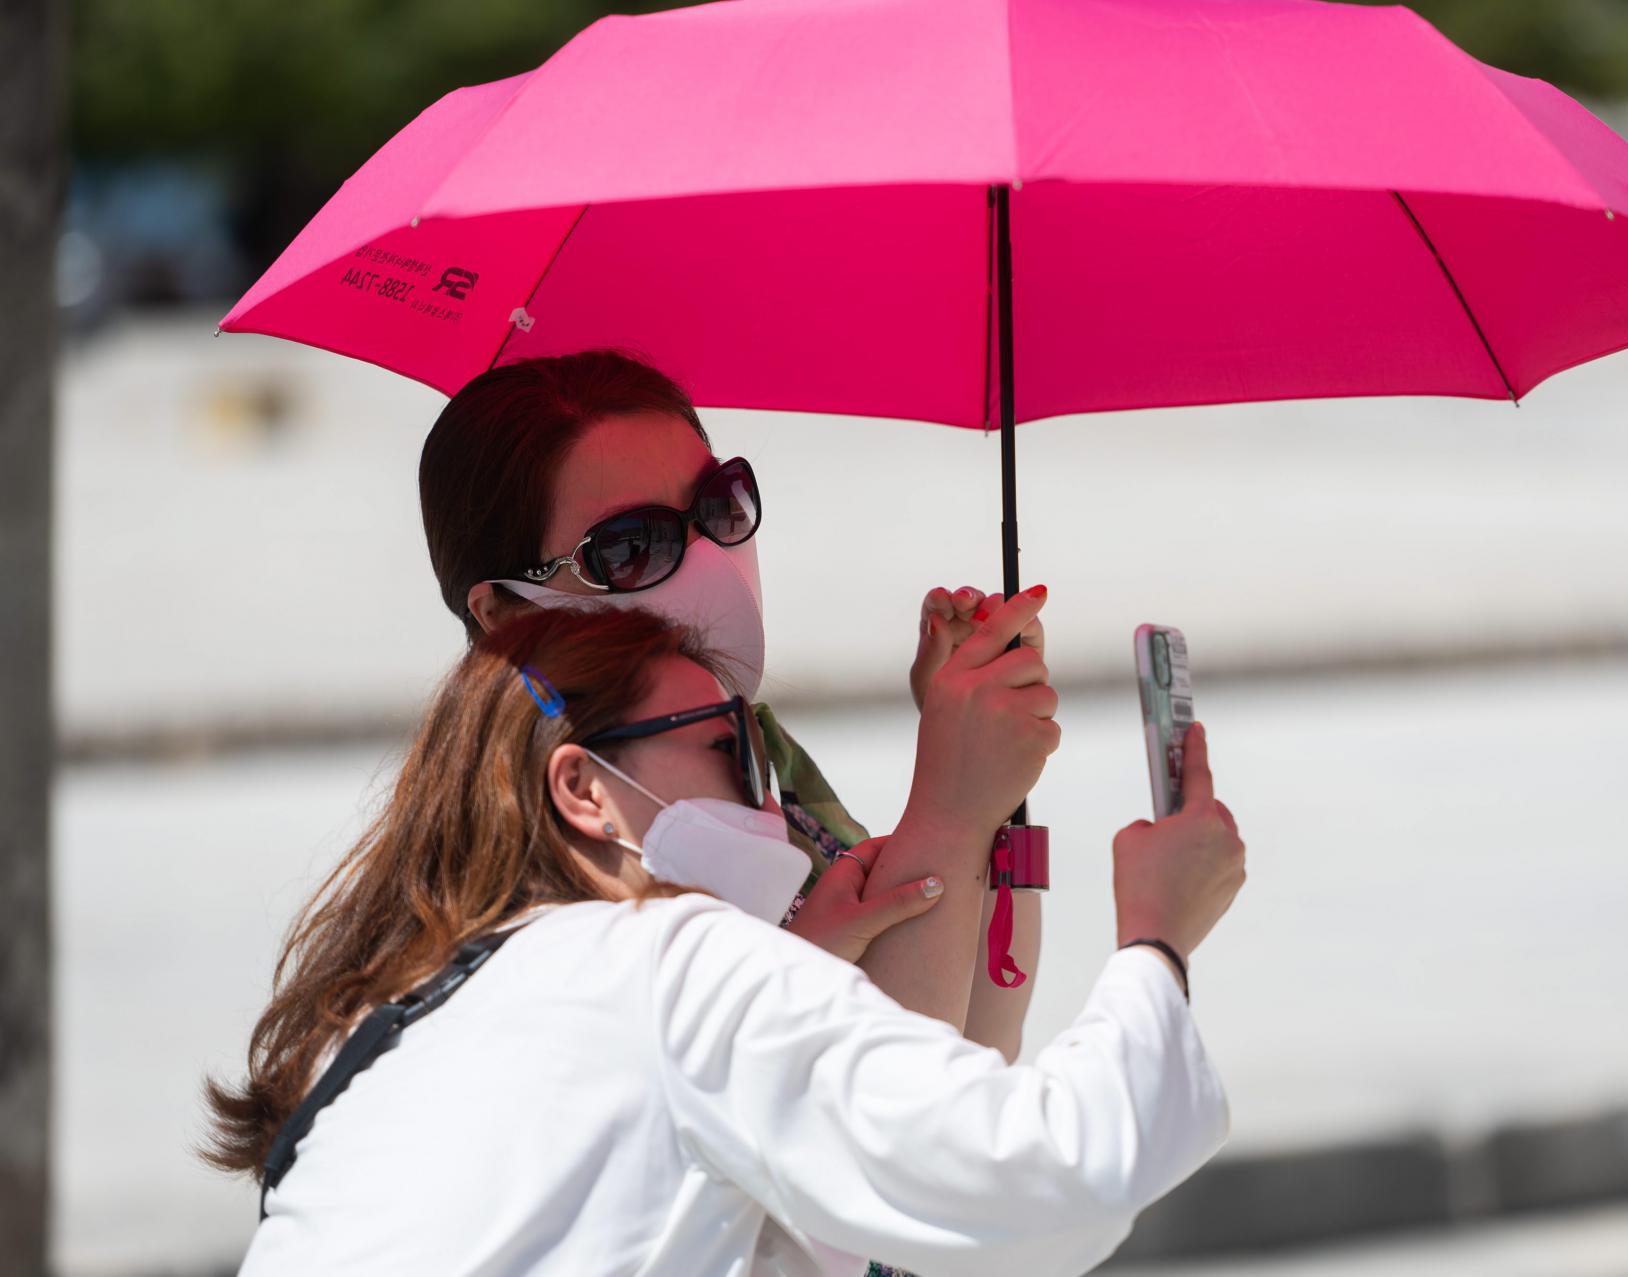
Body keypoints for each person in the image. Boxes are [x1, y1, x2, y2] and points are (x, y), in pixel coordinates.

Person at [209, 606, 1247, 1276]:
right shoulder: (667, 964)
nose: (769, 794)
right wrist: (1158, 936)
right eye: (733, 747)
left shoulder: (380, 1035)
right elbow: (1044, 1176)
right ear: (581, 789)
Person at [416, 348, 1049, 1057]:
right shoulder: (568, 828)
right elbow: (899, 1102)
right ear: (502, 611)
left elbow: (983, 1041)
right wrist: (952, 804)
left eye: (717, 506)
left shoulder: (759, 752)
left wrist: (989, 777)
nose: (706, 560)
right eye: (629, 546)